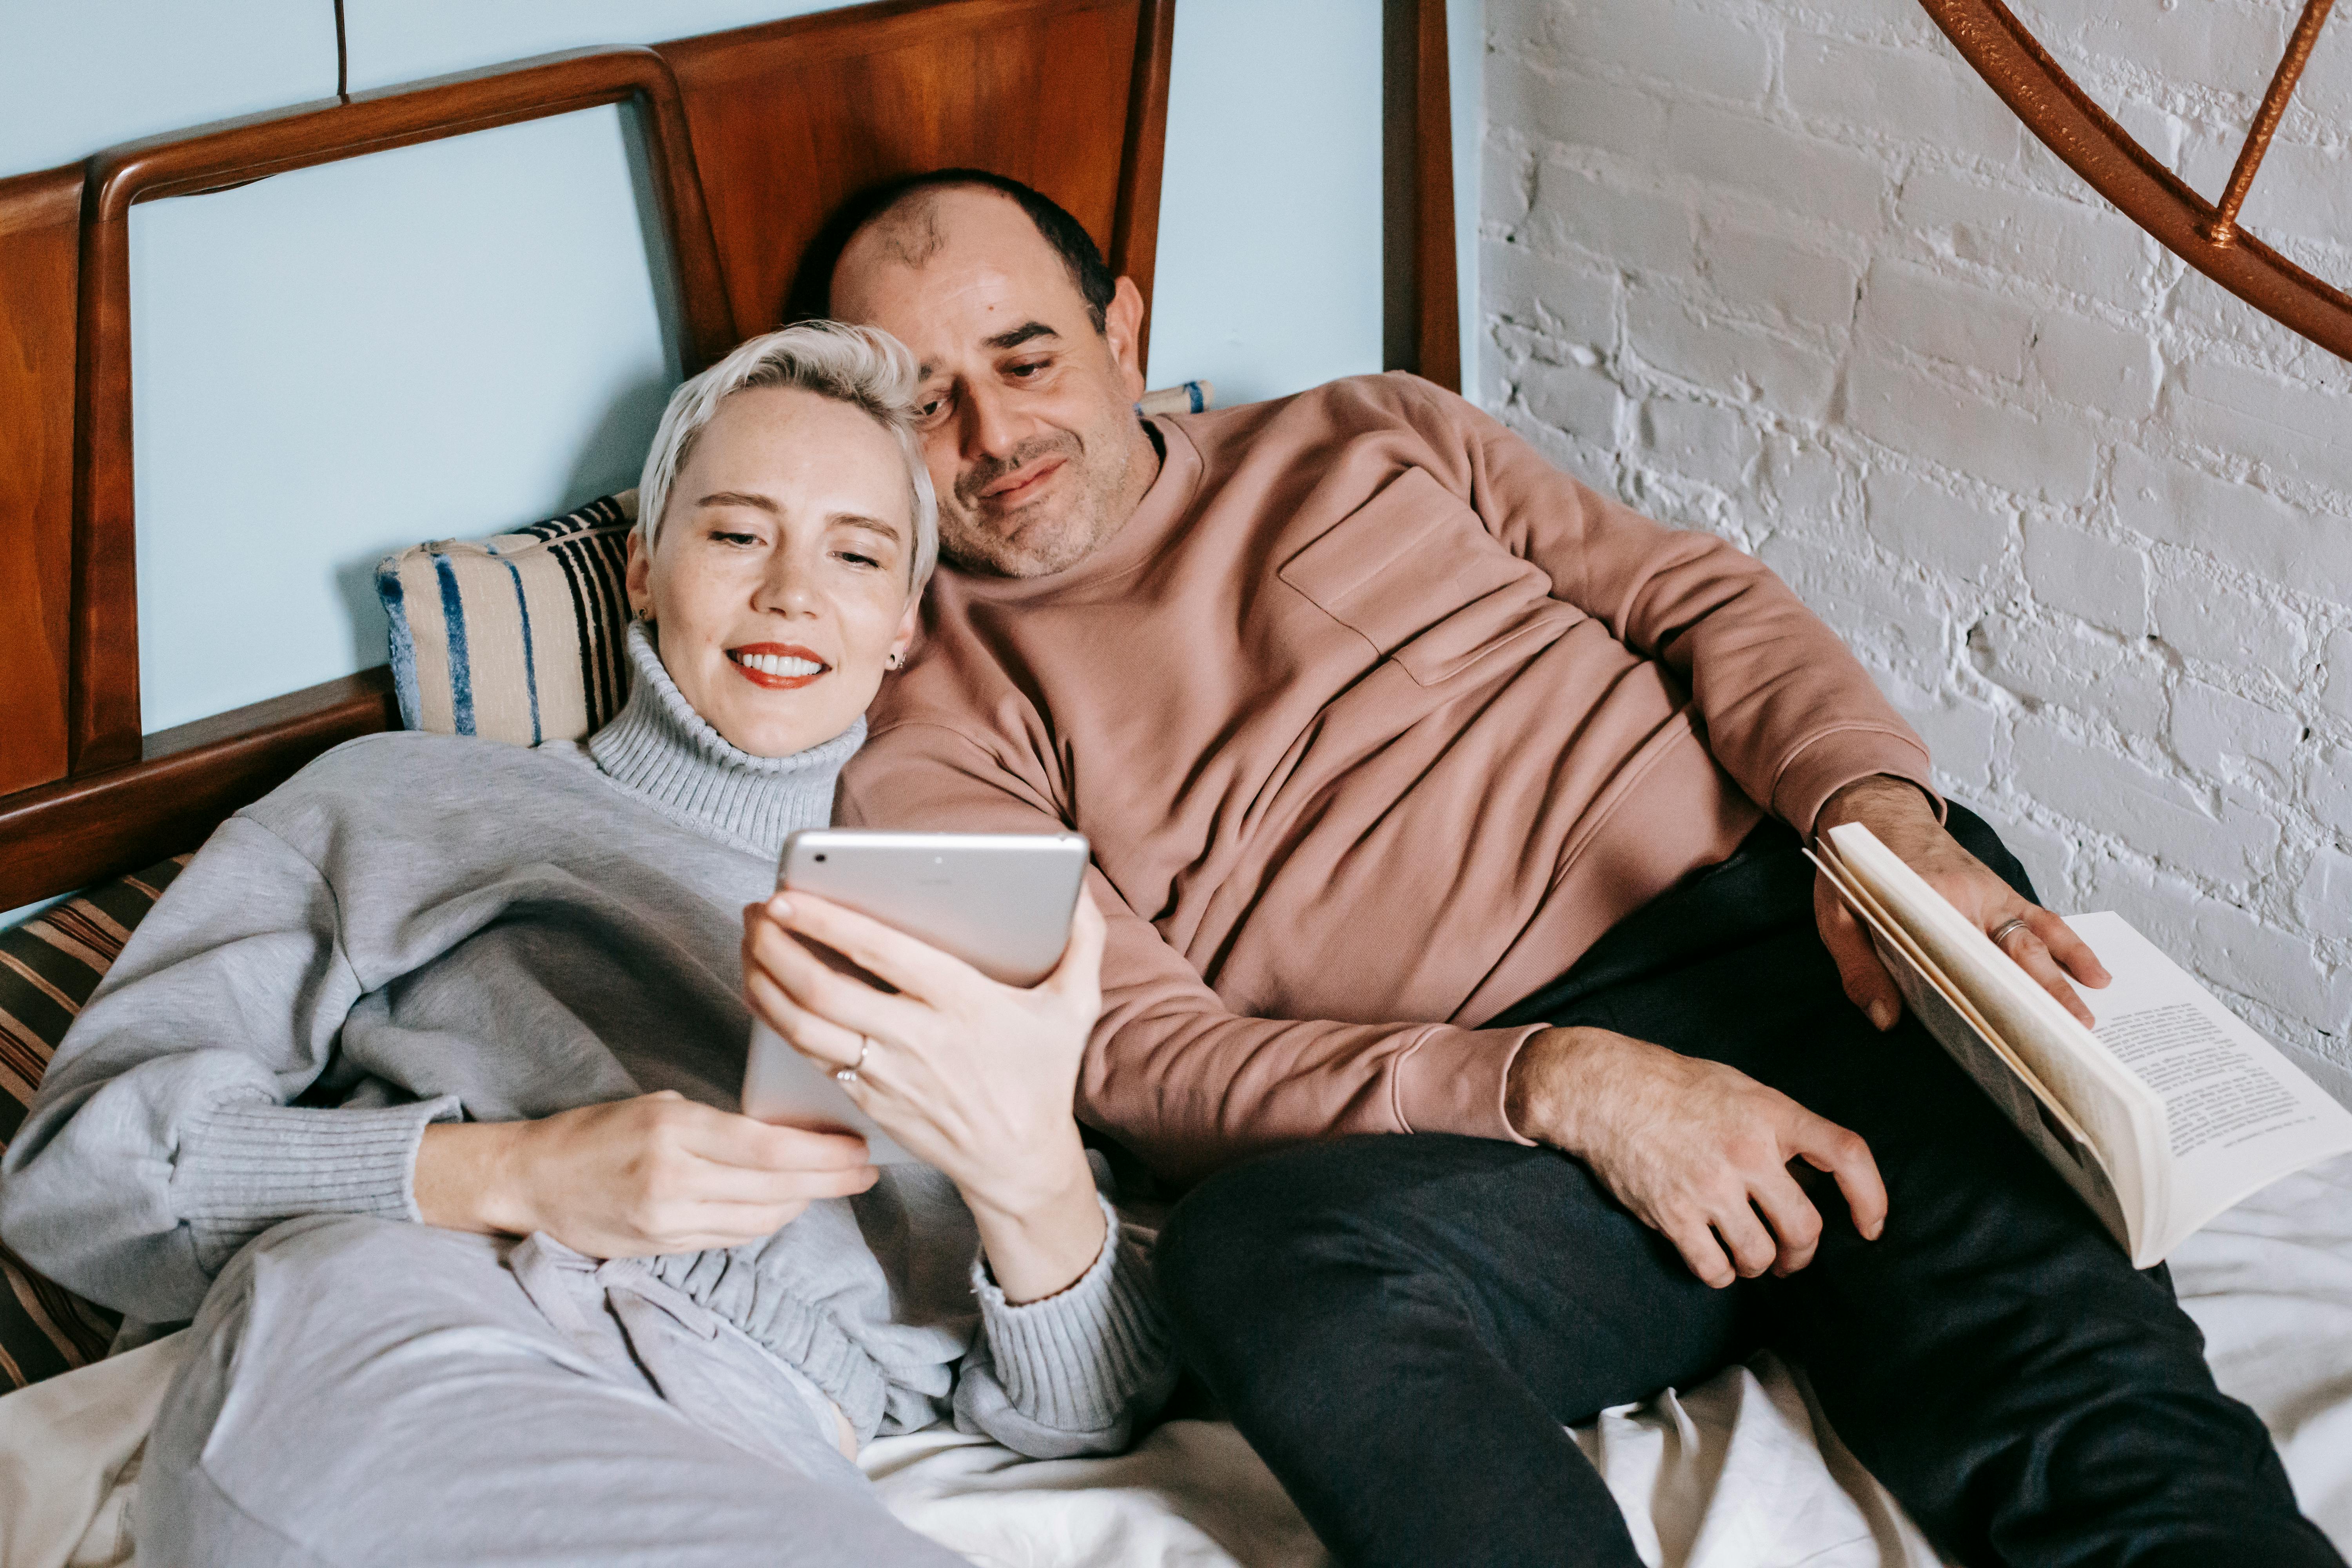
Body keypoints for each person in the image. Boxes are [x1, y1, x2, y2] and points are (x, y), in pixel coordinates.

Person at [762, 169, 2346, 1568]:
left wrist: (1885, 831)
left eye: (1023, 357)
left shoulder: (1367, 429)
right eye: (919, 399)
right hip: (1511, 1143)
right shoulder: (936, 717)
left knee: (2101, 1447)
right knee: (1262, 1260)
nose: (989, 436)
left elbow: (1700, 605)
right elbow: (1146, 1056)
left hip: (1791, 948)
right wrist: (1562, 1082)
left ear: (1120, 323)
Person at [0, 322, 1175, 1568]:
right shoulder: (400, 798)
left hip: (758, 1433)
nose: (790, 591)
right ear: (641, 572)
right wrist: (518, 1172)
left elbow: (1084, 1416)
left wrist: (1032, 1170)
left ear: (899, 625)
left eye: (856, 553)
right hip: (420, 1308)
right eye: (736, 534)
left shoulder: (964, 926)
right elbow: (81, 1176)